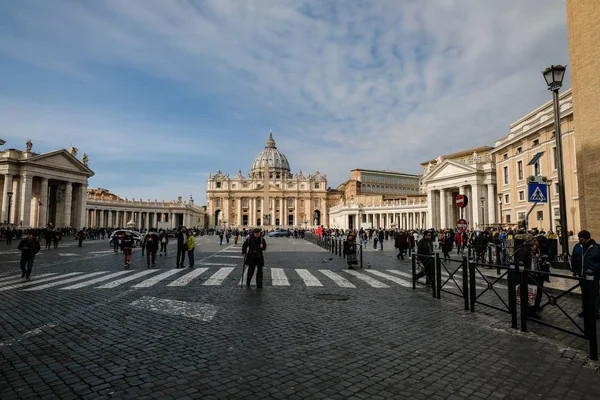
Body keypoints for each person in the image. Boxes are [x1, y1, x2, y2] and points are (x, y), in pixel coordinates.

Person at [571, 230, 600, 318]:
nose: (580, 240)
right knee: (585, 293)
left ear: (587, 238)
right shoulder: (577, 246)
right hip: (582, 274)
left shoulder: (596, 247)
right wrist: (575, 271)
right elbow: (574, 259)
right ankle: (586, 310)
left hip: (594, 274)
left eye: (582, 238)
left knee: (595, 293)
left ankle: (595, 311)